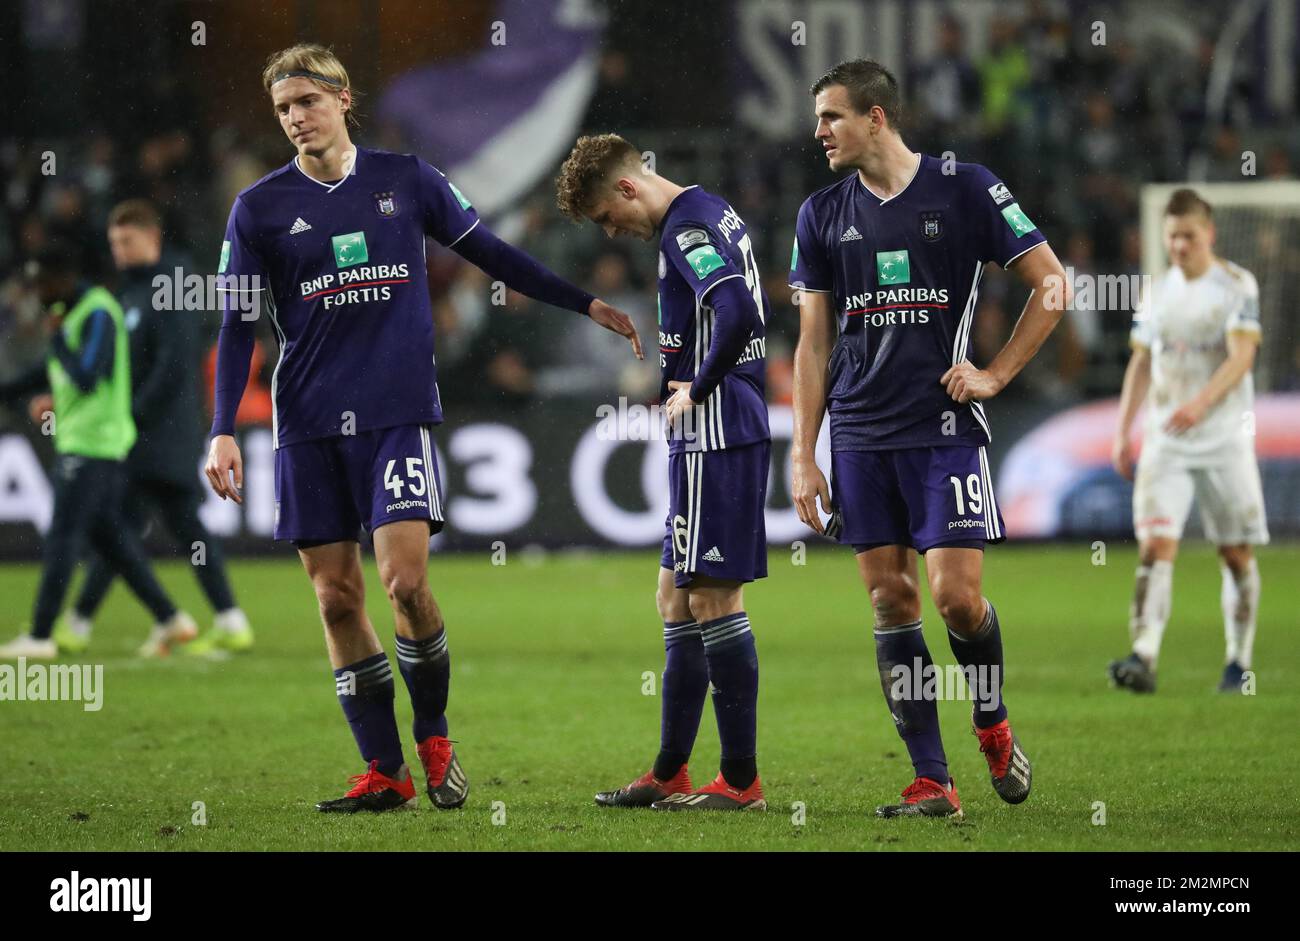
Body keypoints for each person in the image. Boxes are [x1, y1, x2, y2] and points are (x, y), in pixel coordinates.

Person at [204, 44, 641, 814]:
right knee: (337, 598)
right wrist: (223, 428)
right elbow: (238, 323)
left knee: (405, 583)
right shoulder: (260, 208)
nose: (296, 118)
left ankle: (434, 736)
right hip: (307, 423)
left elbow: (493, 253)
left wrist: (583, 302)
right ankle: (384, 769)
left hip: (395, 415)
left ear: (343, 98)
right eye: (282, 109)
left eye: (307, 101)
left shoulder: (407, 180)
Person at [789, 60, 1069, 819]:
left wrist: (996, 373)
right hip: (859, 429)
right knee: (890, 598)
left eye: (832, 117)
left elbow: (1052, 282)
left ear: (877, 117)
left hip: (943, 427)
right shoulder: (820, 213)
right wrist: (802, 450)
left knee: (955, 597)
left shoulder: (966, 186)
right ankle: (931, 779)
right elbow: (811, 343)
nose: (818, 132)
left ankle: (992, 719)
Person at [556, 134, 771, 811]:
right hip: (705, 430)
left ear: (626, 188)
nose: (611, 232)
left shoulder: (686, 226)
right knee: (676, 597)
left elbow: (736, 308)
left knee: (712, 599)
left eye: (605, 217)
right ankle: (670, 770)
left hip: (718, 428)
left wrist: (695, 387)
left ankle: (741, 781)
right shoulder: (708, 211)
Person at [53, 199, 251, 655]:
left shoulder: (172, 284)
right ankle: (223, 619)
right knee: (150, 526)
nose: (119, 250)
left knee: (122, 526)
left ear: (152, 238)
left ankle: (86, 622)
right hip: (140, 433)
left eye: (127, 241)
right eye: (113, 243)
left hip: (162, 434)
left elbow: (173, 366)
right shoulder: (127, 292)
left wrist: (128, 416)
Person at [0, 241, 197, 660]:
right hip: (85, 443)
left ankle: (39, 635)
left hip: (94, 445)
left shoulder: (99, 312)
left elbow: (90, 376)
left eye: (44, 285)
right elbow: (54, 372)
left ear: (64, 279)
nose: (40, 295)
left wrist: (59, 346)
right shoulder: (74, 315)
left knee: (62, 538)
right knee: (111, 539)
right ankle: (169, 617)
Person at [1109, 188, 1266, 695]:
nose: (1178, 245)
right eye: (1172, 236)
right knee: (1155, 547)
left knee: (1235, 553)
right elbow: (1142, 362)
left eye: (1188, 236)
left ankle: (1238, 662)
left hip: (1223, 438)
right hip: (1166, 440)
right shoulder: (1156, 292)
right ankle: (1144, 655)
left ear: (1209, 234)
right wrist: (1123, 429)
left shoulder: (1238, 286)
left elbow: (1241, 357)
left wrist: (1199, 405)